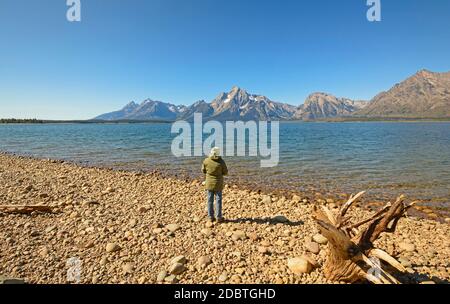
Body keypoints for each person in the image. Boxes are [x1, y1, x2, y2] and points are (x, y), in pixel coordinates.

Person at [202, 147, 228, 223]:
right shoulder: (221, 162)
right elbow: (225, 172)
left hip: (209, 183)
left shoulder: (206, 161)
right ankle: (218, 217)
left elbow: (203, 170)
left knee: (209, 200)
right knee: (218, 200)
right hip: (218, 183)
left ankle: (210, 217)